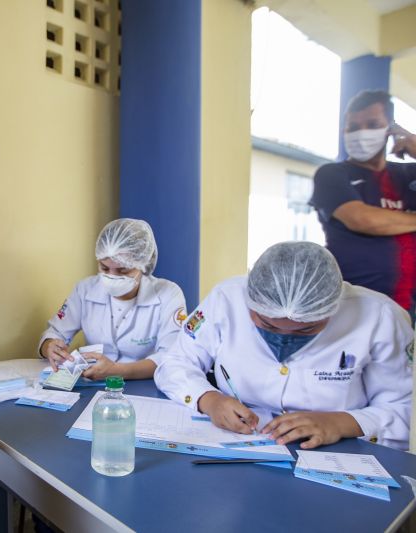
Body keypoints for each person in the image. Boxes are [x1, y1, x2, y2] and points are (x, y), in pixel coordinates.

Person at [154, 241, 413, 450]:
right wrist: (208, 399)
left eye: (306, 329)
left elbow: (405, 408)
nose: (284, 336)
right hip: (238, 441)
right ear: (250, 300)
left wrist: (342, 423)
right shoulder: (227, 298)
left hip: (340, 451)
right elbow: (175, 362)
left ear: (333, 308)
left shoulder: (381, 317)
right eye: (268, 325)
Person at [310, 89, 416, 317]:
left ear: (391, 129)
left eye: (372, 124)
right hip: (353, 308)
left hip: (408, 309)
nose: (362, 133)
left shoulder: (408, 174)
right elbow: (362, 219)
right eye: (353, 127)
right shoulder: (332, 174)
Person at [38, 218, 186, 380]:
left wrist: (118, 371)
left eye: (123, 270)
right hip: (94, 383)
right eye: (105, 268)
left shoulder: (168, 294)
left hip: (147, 383)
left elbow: (171, 355)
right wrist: (50, 346)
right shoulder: (85, 290)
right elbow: (55, 332)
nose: (112, 276)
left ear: (143, 264)